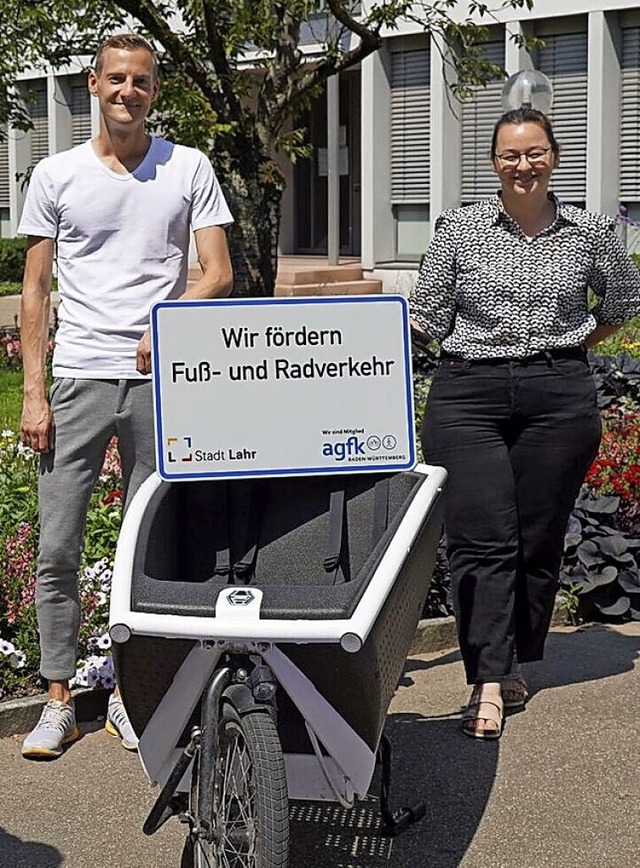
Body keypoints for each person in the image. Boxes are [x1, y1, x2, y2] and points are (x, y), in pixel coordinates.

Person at [18, 33, 234, 758]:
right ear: (93, 83)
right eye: (116, 79)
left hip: (160, 388)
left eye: (141, 82)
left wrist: (165, 322)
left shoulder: (189, 167)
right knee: (57, 546)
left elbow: (217, 272)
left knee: (150, 549)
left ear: (154, 90)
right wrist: (32, 393)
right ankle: (56, 699)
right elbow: (36, 291)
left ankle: (127, 695)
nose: (128, 92)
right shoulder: (54, 175)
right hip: (78, 380)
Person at [410, 107, 640, 739]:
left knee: (536, 538)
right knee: (480, 537)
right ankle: (486, 679)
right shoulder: (459, 227)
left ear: (554, 157)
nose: (522, 165)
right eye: (510, 154)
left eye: (534, 152)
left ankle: (513, 659)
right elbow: (427, 314)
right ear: (494, 162)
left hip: (557, 393)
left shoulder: (591, 231)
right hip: (468, 393)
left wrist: (567, 349)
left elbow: (622, 304)